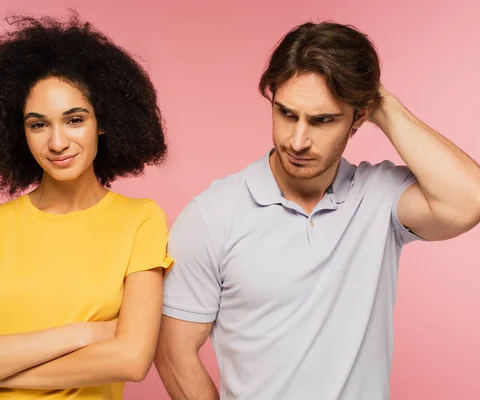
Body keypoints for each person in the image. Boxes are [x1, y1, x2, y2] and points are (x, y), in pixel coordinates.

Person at [155, 21, 480, 400]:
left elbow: (468, 201)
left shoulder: (380, 198)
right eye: (286, 113)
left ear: (360, 117)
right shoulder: (211, 216)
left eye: (322, 120)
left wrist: (383, 105)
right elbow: (173, 353)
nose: (297, 140)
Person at [0, 13, 173, 400]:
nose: (57, 142)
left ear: (103, 121)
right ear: (19, 130)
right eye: (38, 124)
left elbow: (131, 359)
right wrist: (82, 333)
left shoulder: (140, 220)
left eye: (74, 120)